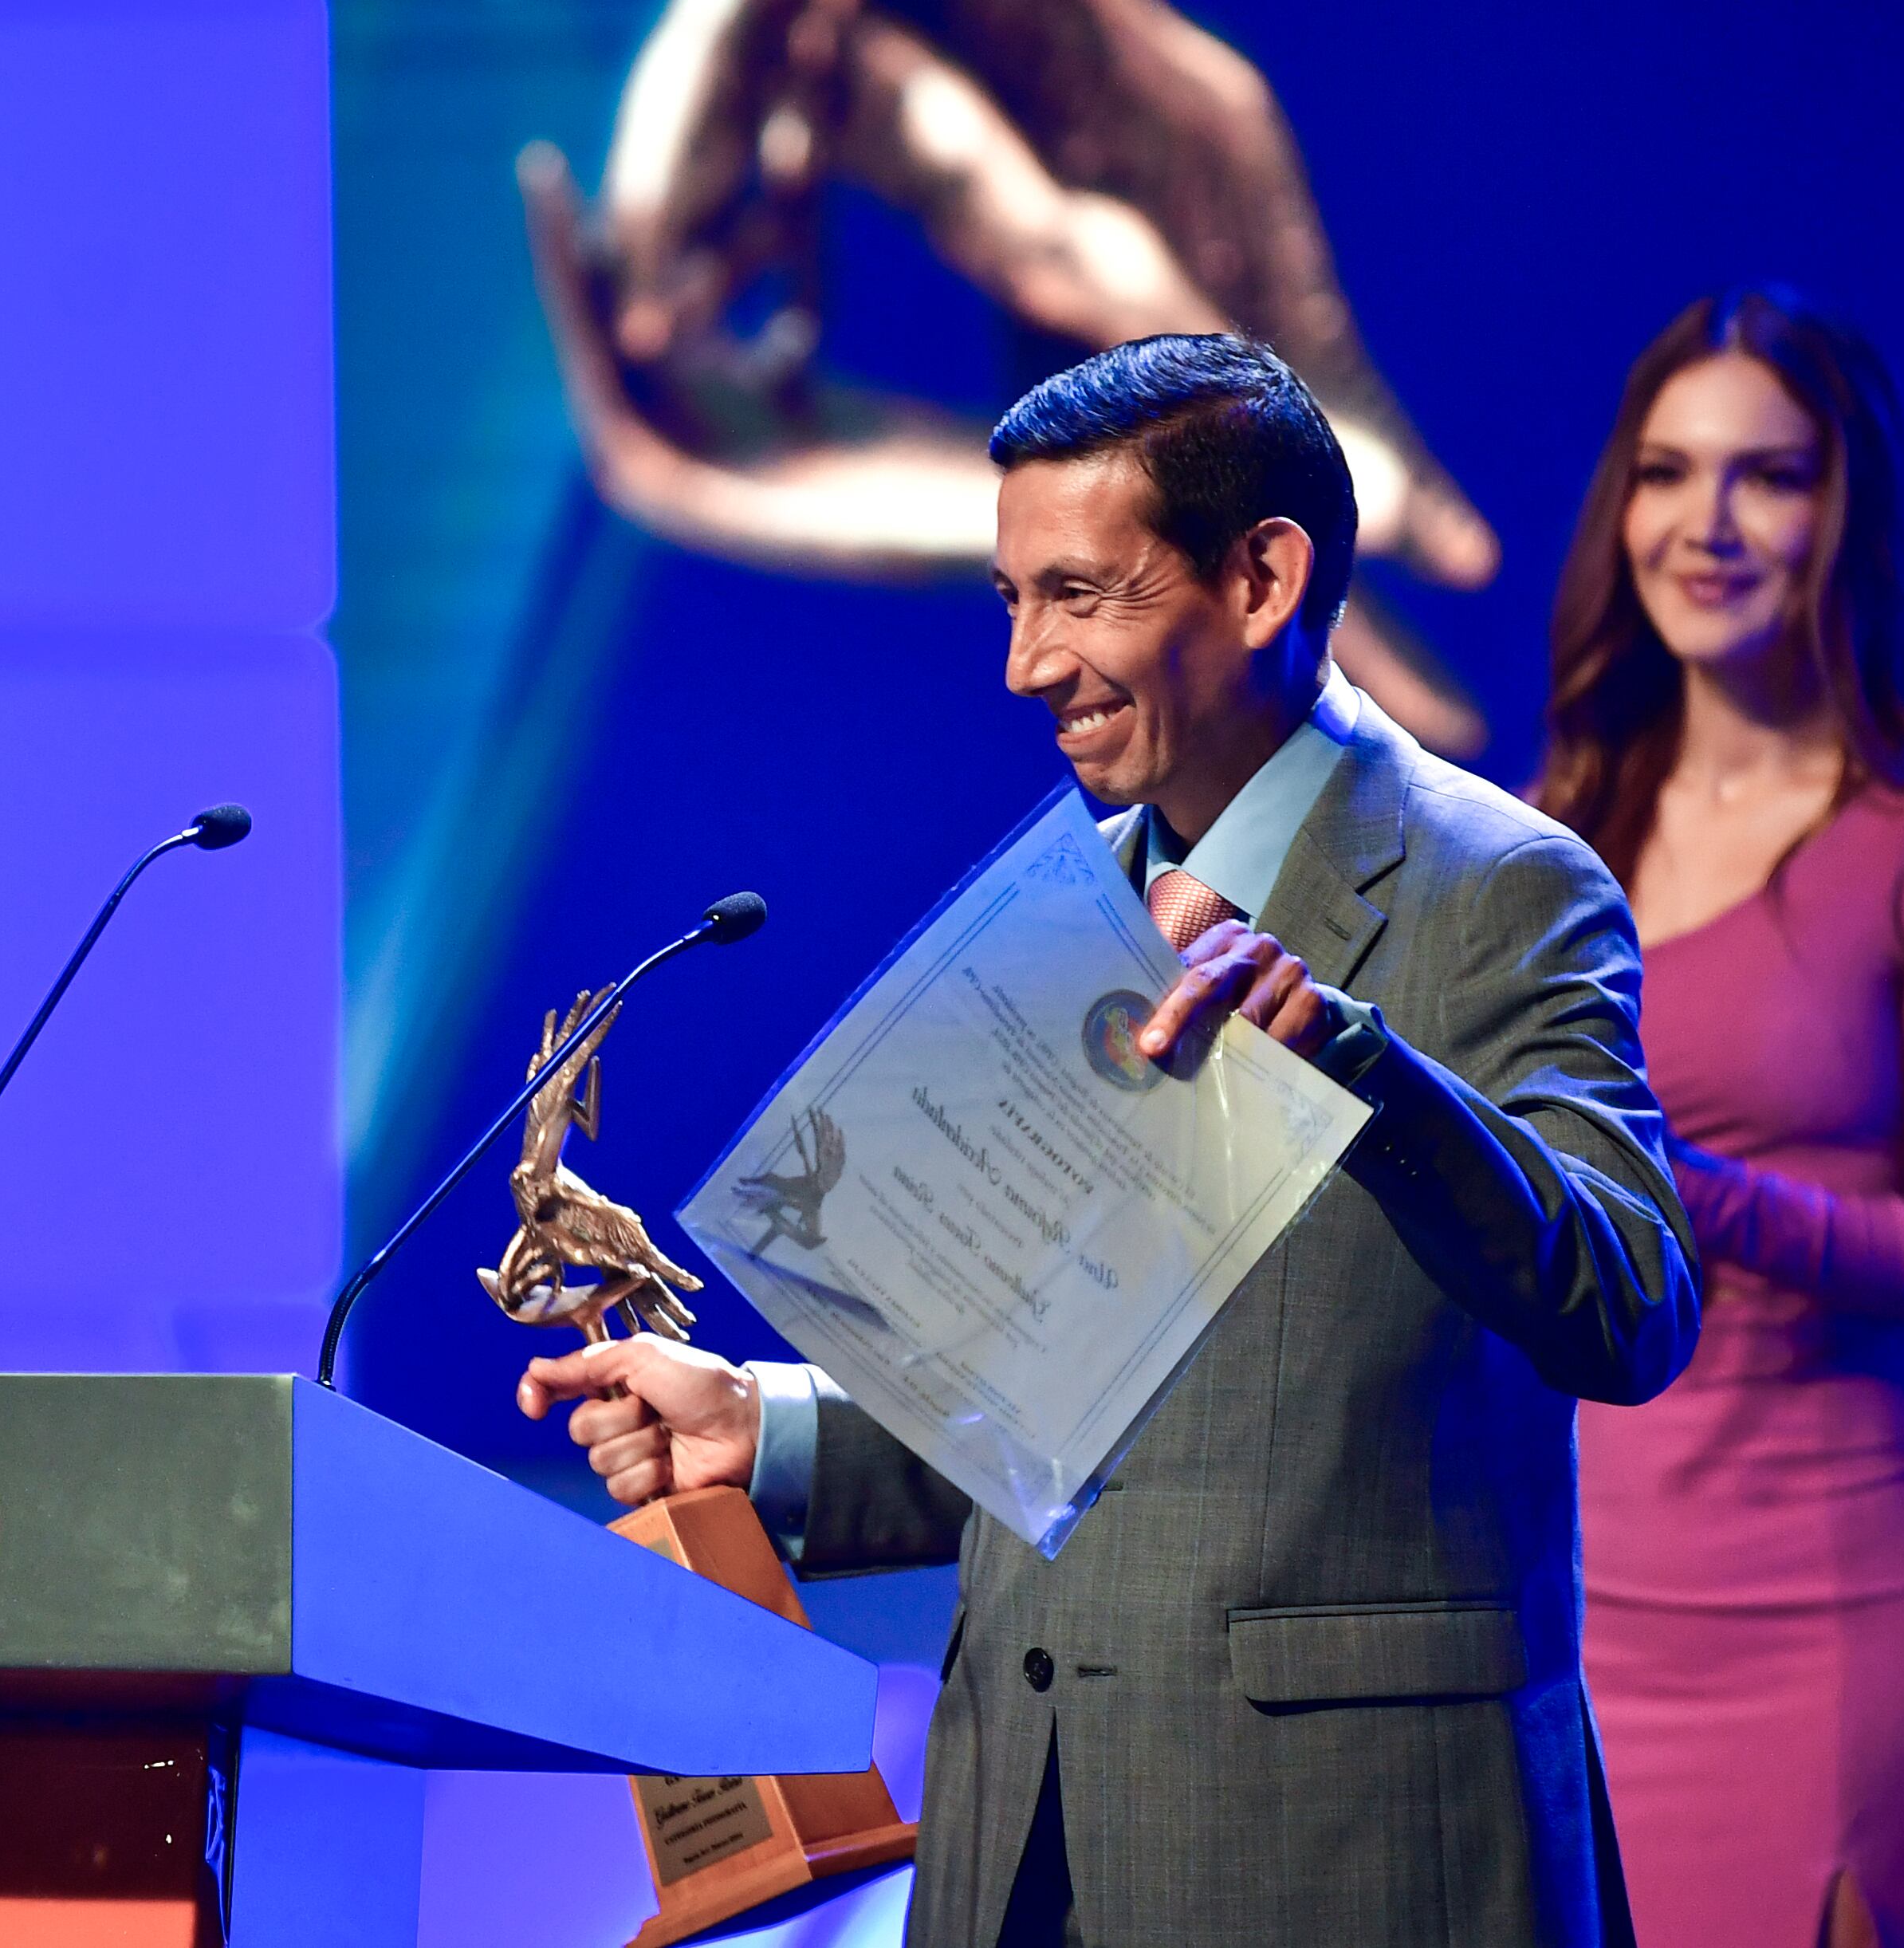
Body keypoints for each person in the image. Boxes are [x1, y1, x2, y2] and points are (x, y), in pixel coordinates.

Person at [518, 333, 1699, 1946]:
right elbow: (1083, 1422)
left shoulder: (1500, 887)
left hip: (1352, 1867)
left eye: (1078, 596)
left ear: (1265, 578)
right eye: (1012, 602)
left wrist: (1354, 1062)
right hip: (1025, 1856)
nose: (1024, 663)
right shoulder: (1065, 907)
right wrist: (760, 1430)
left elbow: (1629, 1303)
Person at [1540, 291, 1904, 1948]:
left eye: (1766, 477)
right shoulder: (1567, 822)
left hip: (1857, 1623)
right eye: (1666, 472)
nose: (1706, 526)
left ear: (1849, 514)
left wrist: (1680, 1192)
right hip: (1582, 1623)